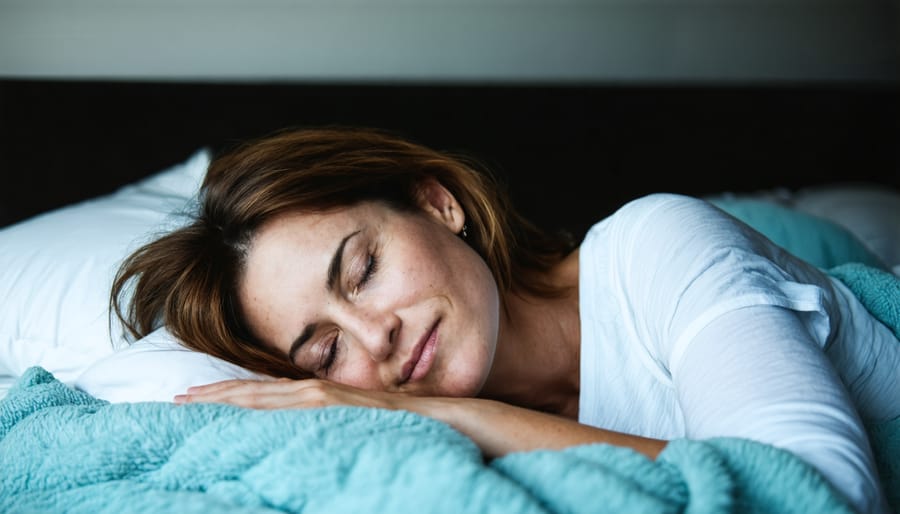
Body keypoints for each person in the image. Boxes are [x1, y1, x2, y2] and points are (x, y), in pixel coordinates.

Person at [111, 125, 898, 514]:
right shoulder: (422, 454)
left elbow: (822, 496)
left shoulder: (660, 243)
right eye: (323, 353)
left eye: (364, 270)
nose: (373, 335)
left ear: (436, 203)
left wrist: (472, 415)